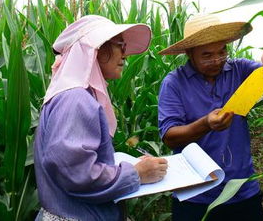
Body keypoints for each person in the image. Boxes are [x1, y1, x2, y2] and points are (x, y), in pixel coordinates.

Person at [34, 15, 168, 221]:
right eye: (120, 45)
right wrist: (136, 174)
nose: (125, 55)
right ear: (93, 49)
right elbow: (77, 173)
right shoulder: (76, 99)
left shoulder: (75, 95)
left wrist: (131, 168)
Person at [158, 14, 263, 221]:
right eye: (207, 55)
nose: (217, 60)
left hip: (242, 190)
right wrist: (206, 124)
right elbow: (169, 136)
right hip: (195, 195)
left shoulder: (241, 70)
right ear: (190, 54)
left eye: (222, 52)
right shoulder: (174, 83)